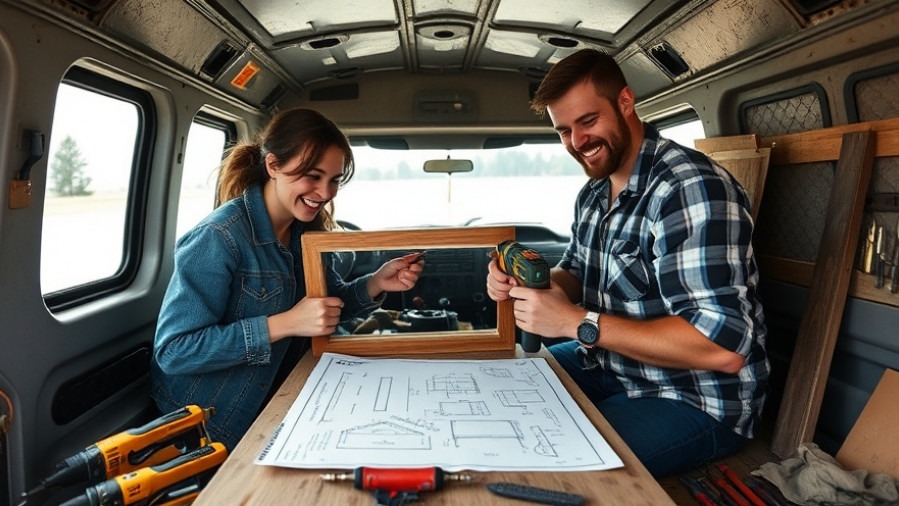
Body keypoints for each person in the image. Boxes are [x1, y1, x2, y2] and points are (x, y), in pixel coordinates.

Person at [486, 49, 769, 478]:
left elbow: (723, 349)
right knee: (501, 389)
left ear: (624, 102)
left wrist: (575, 322)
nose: (577, 142)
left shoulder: (689, 189)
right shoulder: (594, 192)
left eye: (588, 122)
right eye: (563, 130)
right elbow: (578, 272)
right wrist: (536, 287)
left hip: (693, 397)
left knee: (548, 465)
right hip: (610, 365)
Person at [151, 108, 424, 450]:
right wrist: (286, 323)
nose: (325, 193)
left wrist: (376, 283)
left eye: (335, 180)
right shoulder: (219, 237)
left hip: (282, 404)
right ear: (273, 166)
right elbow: (175, 352)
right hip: (211, 429)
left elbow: (324, 307)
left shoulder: (305, 232)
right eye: (313, 176)